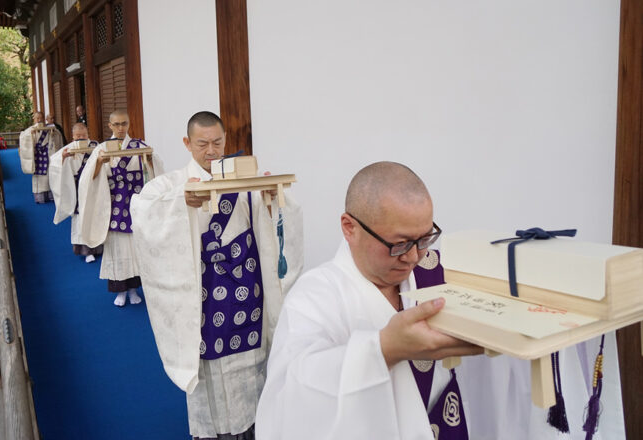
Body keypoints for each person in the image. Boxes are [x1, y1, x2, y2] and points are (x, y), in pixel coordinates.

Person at [255, 161, 482, 440]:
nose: (413, 257)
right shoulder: (316, 296)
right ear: (350, 228)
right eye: (399, 244)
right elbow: (294, 394)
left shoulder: (437, 271)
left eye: (424, 239)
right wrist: (384, 348)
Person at [130, 111, 303, 440]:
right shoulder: (172, 184)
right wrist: (183, 202)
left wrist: (271, 201)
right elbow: (143, 208)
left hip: (246, 291)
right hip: (204, 295)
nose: (211, 151)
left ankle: (254, 427)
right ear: (187, 143)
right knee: (209, 369)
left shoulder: (243, 181)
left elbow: (279, 217)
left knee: (251, 365)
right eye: (202, 144)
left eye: (217, 143)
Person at [78, 109, 162, 306]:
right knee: (117, 248)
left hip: (135, 203)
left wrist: (149, 159)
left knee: (135, 248)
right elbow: (87, 178)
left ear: (129, 124)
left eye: (124, 123)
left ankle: (134, 289)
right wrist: (99, 162)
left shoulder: (139, 146)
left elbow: (155, 169)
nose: (121, 128)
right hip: (115, 204)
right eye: (116, 124)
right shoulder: (103, 148)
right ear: (110, 126)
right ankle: (120, 291)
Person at [48, 122, 103, 262]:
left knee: (95, 215)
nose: (81, 138)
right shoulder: (68, 149)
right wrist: (63, 158)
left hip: (94, 185)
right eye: (78, 135)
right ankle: (86, 251)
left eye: (84, 135)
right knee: (81, 218)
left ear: (88, 135)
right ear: (73, 137)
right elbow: (54, 163)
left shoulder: (96, 146)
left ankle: (99, 246)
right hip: (78, 188)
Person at [18, 111, 63, 203]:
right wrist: (30, 134)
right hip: (37, 156)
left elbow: (58, 135)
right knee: (39, 177)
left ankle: (51, 194)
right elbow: (23, 137)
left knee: (50, 174)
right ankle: (40, 197)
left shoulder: (49, 128)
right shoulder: (29, 130)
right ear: (34, 119)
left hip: (48, 155)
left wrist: (53, 132)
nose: (39, 120)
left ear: (43, 119)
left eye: (40, 118)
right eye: (37, 118)